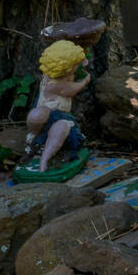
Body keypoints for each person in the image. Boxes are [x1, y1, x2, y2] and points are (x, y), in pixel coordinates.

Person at [26, 39, 90, 174]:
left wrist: (82, 58)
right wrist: (85, 81)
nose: (78, 65)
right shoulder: (56, 84)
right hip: (54, 116)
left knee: (56, 124)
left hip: (53, 114)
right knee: (58, 126)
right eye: (75, 64)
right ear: (67, 66)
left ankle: (41, 152)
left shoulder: (49, 72)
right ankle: (43, 156)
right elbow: (71, 89)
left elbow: (80, 62)